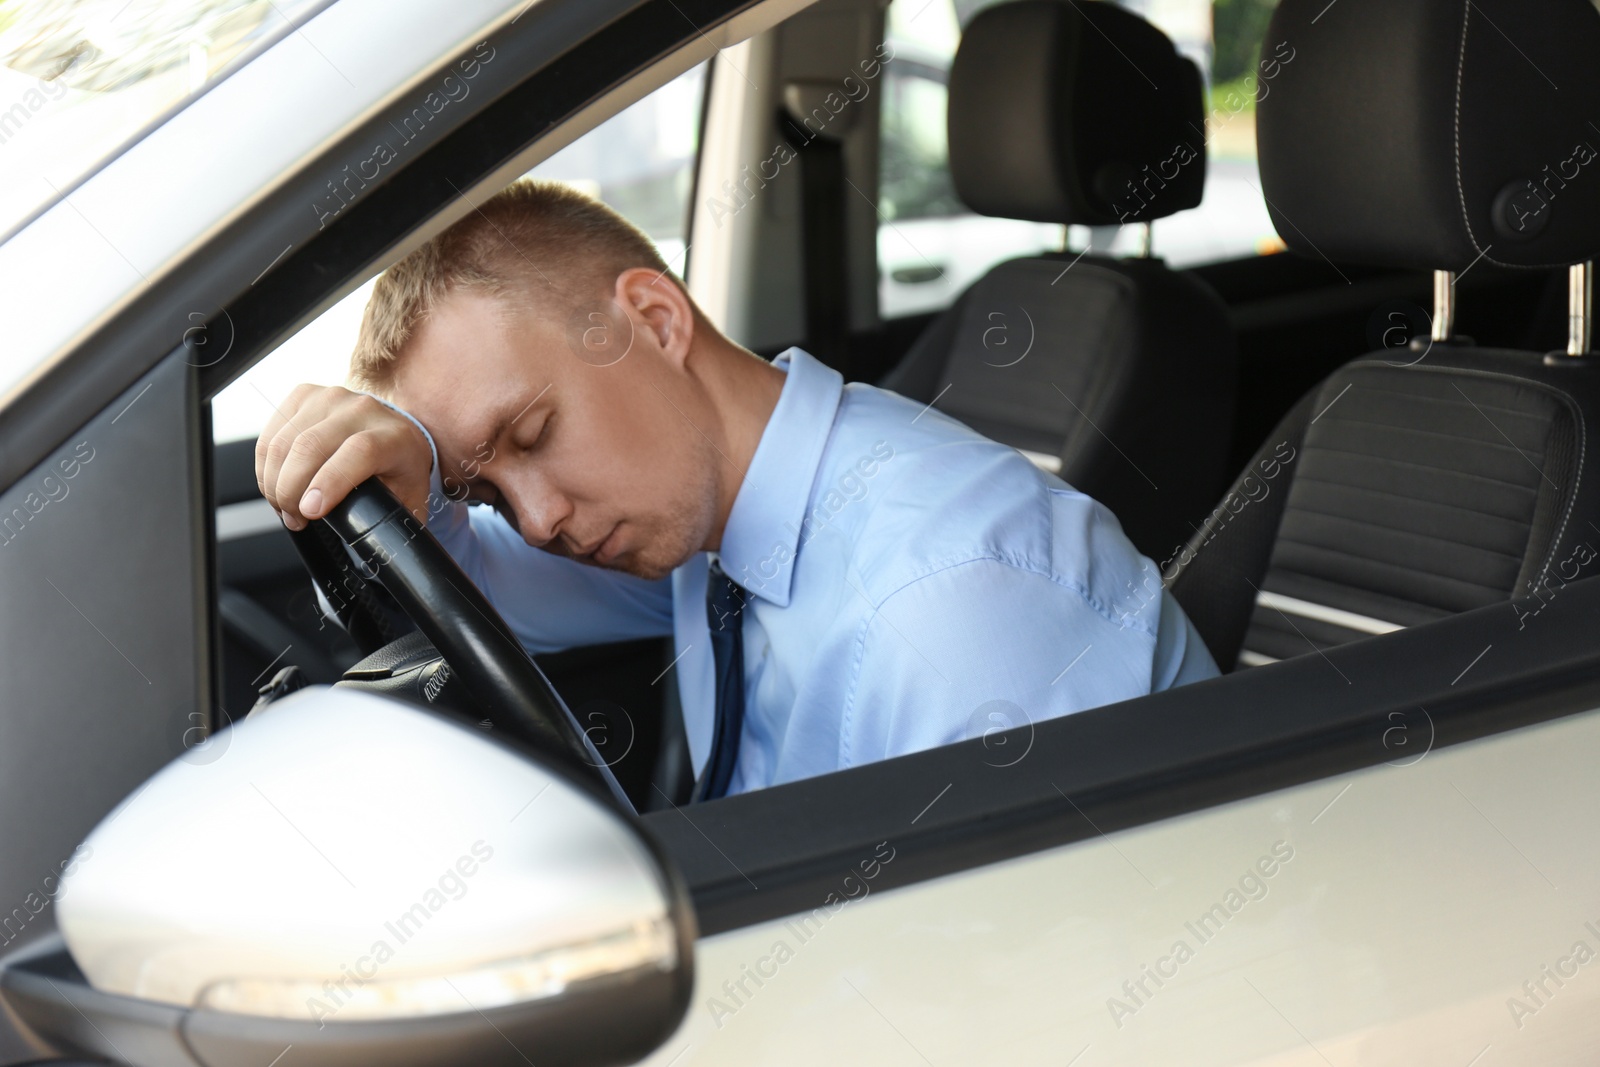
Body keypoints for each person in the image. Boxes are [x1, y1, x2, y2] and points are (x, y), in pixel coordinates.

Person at [256, 179, 1218, 798]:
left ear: (656, 319)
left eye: (533, 433)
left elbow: (1027, 975)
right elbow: (488, 608)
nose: (539, 517)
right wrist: (423, 479)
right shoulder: (708, 518)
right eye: (491, 492)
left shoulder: (954, 603)